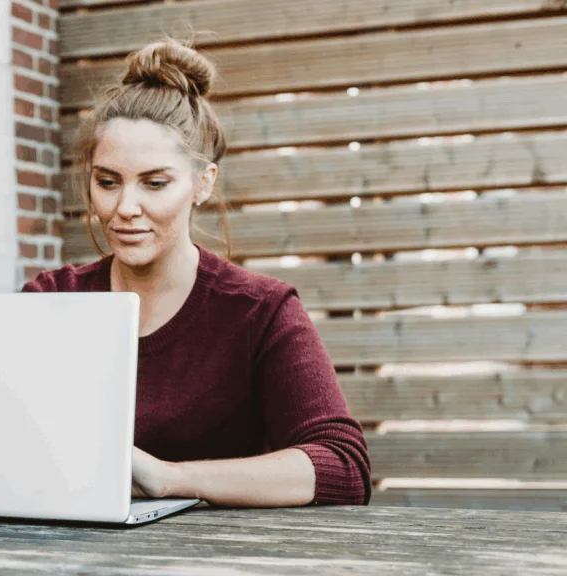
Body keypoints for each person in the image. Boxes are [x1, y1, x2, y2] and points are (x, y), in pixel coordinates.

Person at [22, 39, 371, 507]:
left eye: (155, 183)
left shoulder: (260, 311)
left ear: (202, 183)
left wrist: (170, 479)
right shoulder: (51, 299)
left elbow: (343, 466)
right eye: (107, 182)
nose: (125, 208)